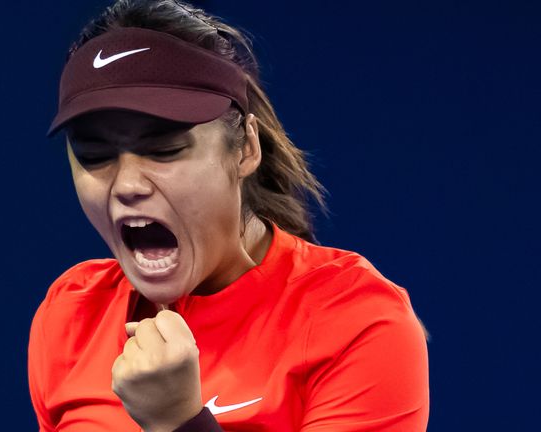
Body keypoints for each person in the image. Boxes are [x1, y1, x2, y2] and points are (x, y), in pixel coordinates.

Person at [28, 1, 430, 431]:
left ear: (246, 148)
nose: (127, 185)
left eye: (164, 150)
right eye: (95, 156)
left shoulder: (357, 321)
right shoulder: (70, 313)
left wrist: (178, 422)